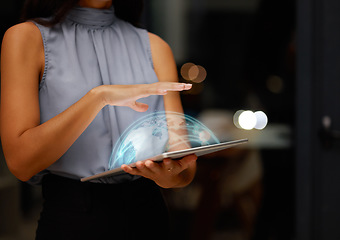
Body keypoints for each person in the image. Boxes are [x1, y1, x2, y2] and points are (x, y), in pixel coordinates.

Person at [0, 0, 197, 239]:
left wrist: (170, 177)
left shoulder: (155, 46)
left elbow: (186, 168)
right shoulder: (26, 38)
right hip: (72, 218)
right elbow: (20, 163)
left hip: (149, 214)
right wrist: (98, 97)